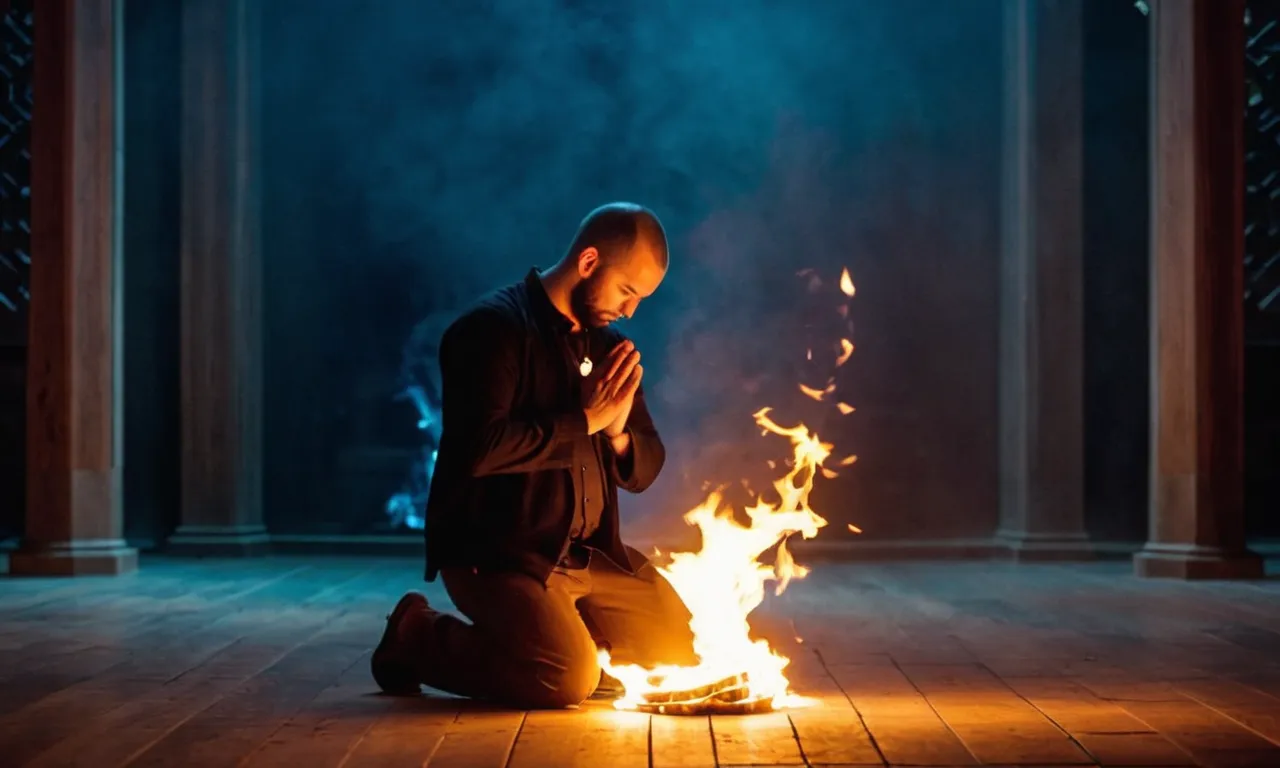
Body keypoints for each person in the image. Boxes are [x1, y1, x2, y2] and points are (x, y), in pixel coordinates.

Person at [371, 202, 698, 709]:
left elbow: (646, 466)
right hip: (502, 558)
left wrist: (616, 435)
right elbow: (478, 450)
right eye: (627, 291)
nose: (631, 310)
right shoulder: (490, 331)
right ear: (589, 262)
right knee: (565, 678)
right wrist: (583, 422)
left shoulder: (610, 346)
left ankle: (578, 643)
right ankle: (416, 635)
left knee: (684, 652)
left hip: (589, 557)